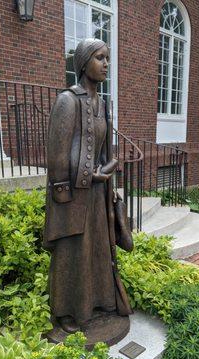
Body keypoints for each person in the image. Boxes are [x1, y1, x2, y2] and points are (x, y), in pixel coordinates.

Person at [43, 38, 131, 334]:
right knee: (73, 251)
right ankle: (68, 311)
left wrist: (109, 183)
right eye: (100, 58)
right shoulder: (67, 101)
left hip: (98, 194)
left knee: (97, 249)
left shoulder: (102, 104)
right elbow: (57, 156)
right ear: (83, 63)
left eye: (108, 58)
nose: (107, 64)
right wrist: (82, 181)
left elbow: (104, 151)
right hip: (72, 195)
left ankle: (99, 302)